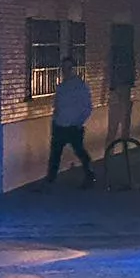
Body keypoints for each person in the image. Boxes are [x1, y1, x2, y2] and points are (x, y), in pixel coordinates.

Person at [47, 57, 96, 187]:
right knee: (55, 154)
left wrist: (79, 122)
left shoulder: (80, 87)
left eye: (68, 68)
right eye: (63, 69)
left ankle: (90, 174)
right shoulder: (61, 87)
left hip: (74, 126)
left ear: (74, 69)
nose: (65, 71)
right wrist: (55, 120)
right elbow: (57, 106)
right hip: (60, 125)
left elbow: (87, 107)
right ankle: (50, 180)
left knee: (80, 151)